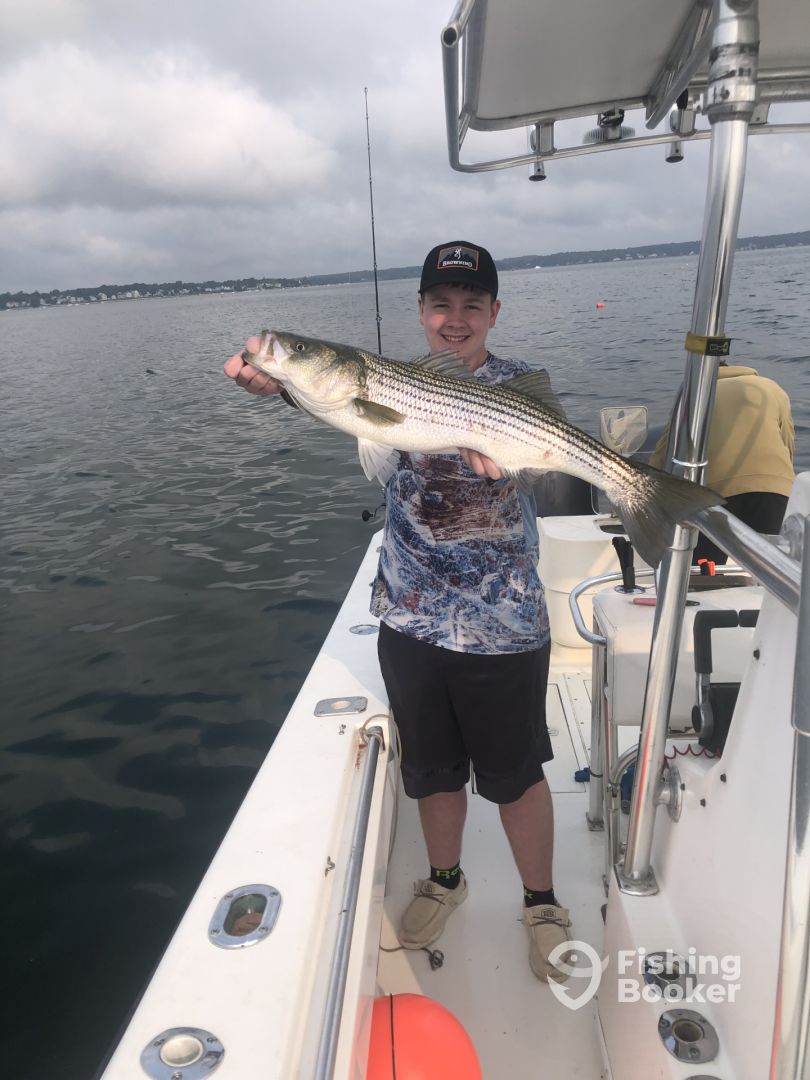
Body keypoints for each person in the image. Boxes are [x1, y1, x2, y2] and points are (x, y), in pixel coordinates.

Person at [224, 240, 572, 983]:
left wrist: (514, 462)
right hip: (410, 619)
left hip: (504, 625)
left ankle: (541, 902)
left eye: (471, 304)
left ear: (495, 312)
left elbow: (545, 466)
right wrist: (278, 378)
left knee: (515, 775)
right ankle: (445, 881)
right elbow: (337, 398)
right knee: (433, 771)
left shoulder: (519, 387)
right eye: (441, 304)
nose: (455, 319)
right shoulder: (371, 384)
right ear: (419, 311)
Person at [650, 360, 795, 564]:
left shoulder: (695, 395)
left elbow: (667, 447)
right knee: (766, 565)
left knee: (707, 566)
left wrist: (648, 490)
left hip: (715, 492)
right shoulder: (771, 388)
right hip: (774, 487)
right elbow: (787, 440)